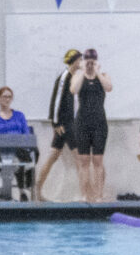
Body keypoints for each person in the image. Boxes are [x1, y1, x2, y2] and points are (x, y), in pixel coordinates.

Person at [69, 48, 113, 202]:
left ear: (96, 61)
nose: (89, 64)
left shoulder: (103, 76)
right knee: (84, 161)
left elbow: (109, 88)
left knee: (98, 161)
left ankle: (99, 195)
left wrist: (97, 72)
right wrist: (82, 72)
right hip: (82, 123)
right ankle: (84, 195)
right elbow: (74, 90)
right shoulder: (77, 77)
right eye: (87, 61)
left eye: (92, 61)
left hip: (99, 123)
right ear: (83, 61)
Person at [41, 48, 79, 199]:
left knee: (53, 157)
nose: (81, 62)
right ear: (74, 61)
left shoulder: (72, 76)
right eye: (79, 60)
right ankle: (85, 192)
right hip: (65, 125)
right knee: (80, 158)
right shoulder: (64, 77)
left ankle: (38, 188)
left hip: (68, 123)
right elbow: (55, 101)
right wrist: (55, 123)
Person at [0, 85, 33, 199]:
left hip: (19, 148)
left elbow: (26, 134)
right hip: (1, 150)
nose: (7, 99)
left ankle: (20, 192)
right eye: (4, 96)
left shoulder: (19, 115)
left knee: (16, 157)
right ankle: (5, 192)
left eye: (9, 97)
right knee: (10, 159)